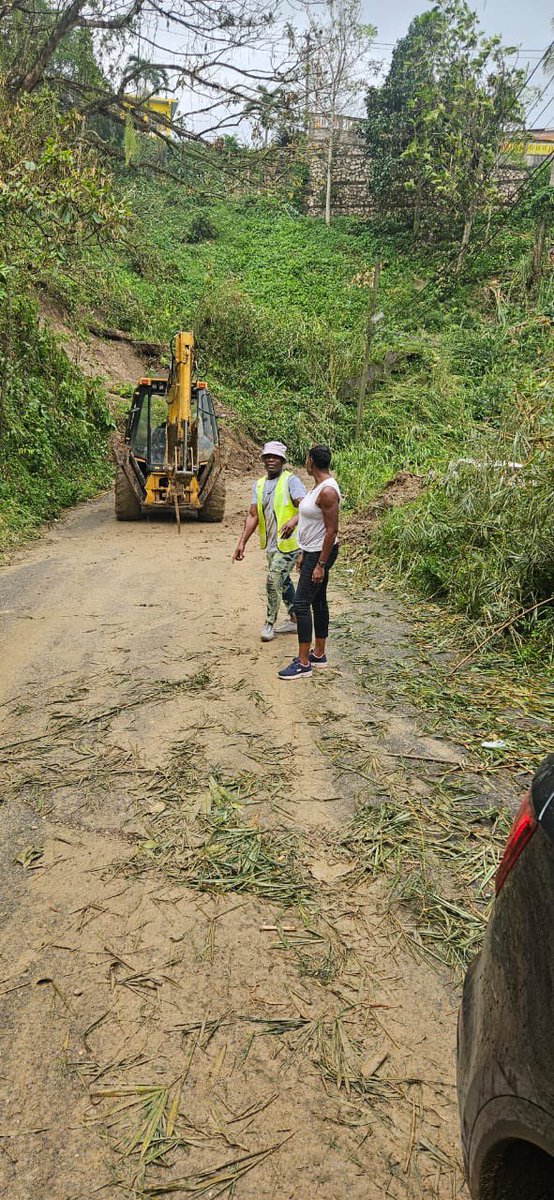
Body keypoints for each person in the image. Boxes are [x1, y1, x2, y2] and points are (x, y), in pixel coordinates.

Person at [277, 445, 340, 679]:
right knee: (318, 600)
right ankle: (318, 654)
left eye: (306, 458)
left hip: (320, 553)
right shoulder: (318, 488)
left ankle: (303, 663)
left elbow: (331, 531)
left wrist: (320, 565)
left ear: (311, 462)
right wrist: (304, 551)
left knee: (301, 604)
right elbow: (313, 524)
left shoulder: (328, 492)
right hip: (312, 551)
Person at [232, 440, 306, 641]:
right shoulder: (259, 485)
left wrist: (292, 521)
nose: (271, 460)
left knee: (273, 580)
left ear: (282, 461)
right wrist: (242, 542)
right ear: (263, 460)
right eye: (268, 457)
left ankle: (269, 623)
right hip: (272, 545)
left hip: (290, 544)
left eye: (275, 457)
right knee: (283, 582)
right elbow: (253, 515)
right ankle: (295, 619)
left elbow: (307, 507)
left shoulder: (291, 481)